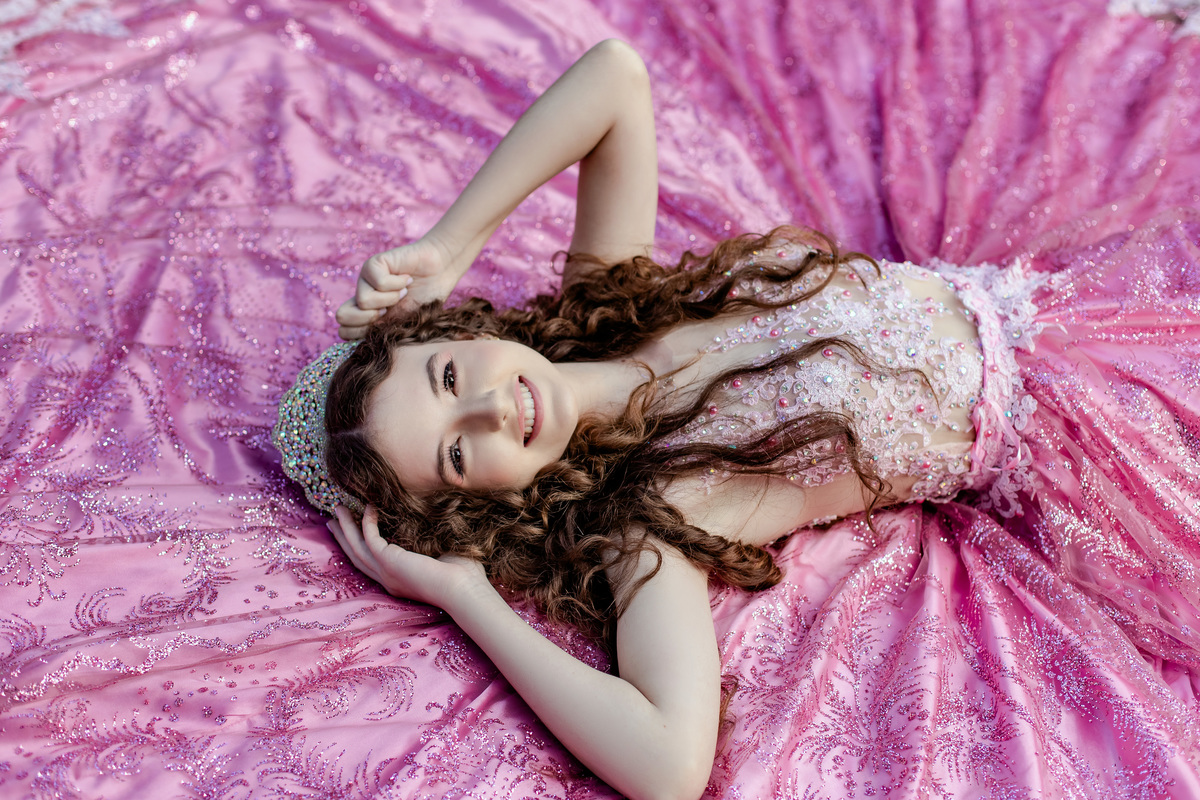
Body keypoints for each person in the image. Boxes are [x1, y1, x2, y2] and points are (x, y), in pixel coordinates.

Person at [273, 39, 1200, 800]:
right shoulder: (647, 520)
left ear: (458, 330)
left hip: (1065, 311)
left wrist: (451, 243)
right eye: (457, 454)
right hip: (1089, 439)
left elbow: (615, 78)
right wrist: (467, 599)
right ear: (479, 504)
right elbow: (669, 768)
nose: (489, 408)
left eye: (448, 375)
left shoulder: (615, 299)